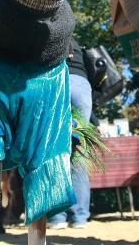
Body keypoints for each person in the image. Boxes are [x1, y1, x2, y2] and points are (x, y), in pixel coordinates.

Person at [48, 37, 92, 229]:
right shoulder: (76, 41)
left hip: (57, 81)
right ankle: (80, 217)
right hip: (82, 86)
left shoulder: (46, 33)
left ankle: (58, 217)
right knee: (78, 154)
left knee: (55, 151)